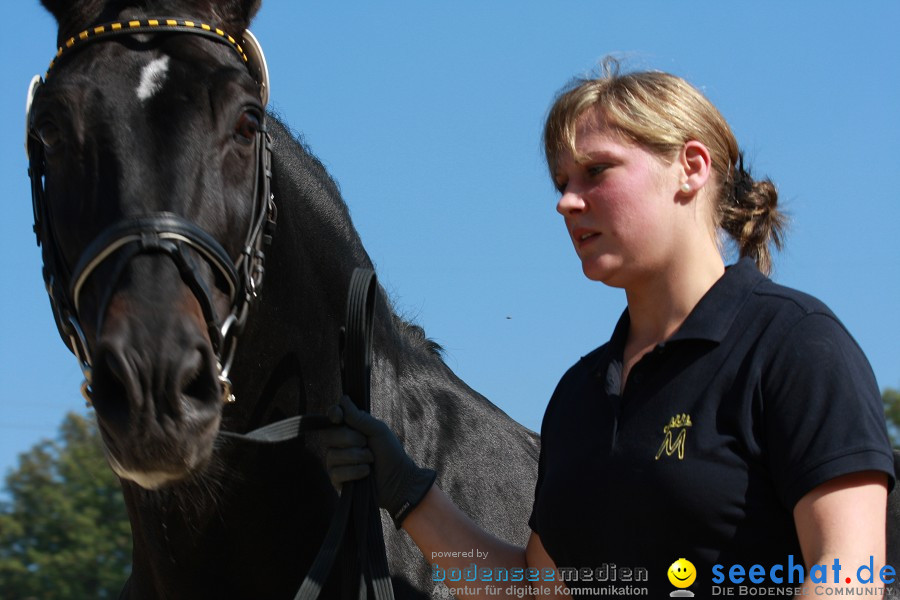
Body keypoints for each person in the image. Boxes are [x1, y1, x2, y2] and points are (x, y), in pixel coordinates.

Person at [323, 59, 895, 599]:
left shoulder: (797, 346)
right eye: (561, 182)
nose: (567, 202)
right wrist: (405, 491)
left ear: (691, 169)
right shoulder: (579, 396)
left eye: (596, 171)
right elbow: (535, 590)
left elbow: (849, 577)